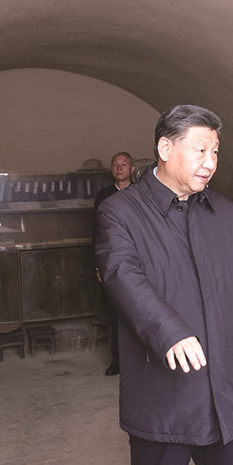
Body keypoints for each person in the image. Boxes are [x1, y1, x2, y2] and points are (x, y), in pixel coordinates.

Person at [94, 105, 233, 465]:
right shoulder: (121, 211)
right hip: (164, 399)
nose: (210, 162)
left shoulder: (224, 212)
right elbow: (121, 274)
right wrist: (169, 331)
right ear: (165, 149)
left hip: (225, 398)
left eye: (215, 151)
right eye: (200, 149)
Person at [93, 151, 135, 376]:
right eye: (115, 164)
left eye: (124, 164)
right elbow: (97, 233)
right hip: (112, 262)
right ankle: (118, 360)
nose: (119, 168)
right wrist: (99, 266)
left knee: (139, 310)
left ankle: (140, 360)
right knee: (115, 313)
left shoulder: (141, 194)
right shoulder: (104, 196)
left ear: (132, 169)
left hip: (138, 262)